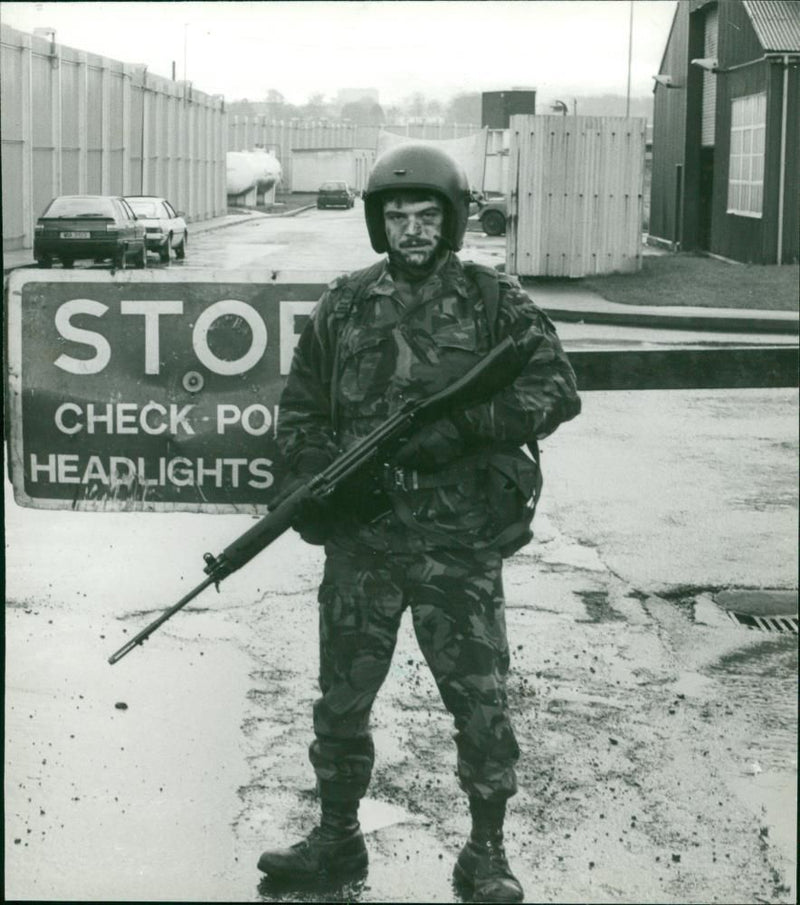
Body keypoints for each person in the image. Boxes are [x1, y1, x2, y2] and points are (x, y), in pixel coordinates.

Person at [257, 143, 581, 902]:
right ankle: (337, 839)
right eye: (396, 215)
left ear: (452, 219)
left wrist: (468, 428)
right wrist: (311, 483)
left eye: (424, 214)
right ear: (379, 224)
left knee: (480, 700)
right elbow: (301, 408)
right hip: (363, 542)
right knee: (341, 698)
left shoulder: (491, 299)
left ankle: (487, 853)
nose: (410, 228)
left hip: (457, 541)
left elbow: (557, 387)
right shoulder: (343, 303)